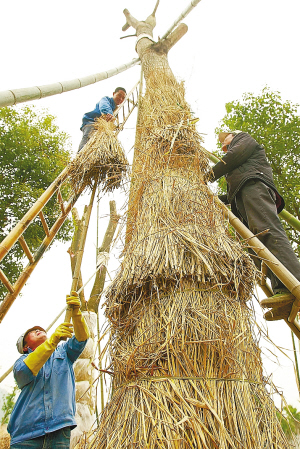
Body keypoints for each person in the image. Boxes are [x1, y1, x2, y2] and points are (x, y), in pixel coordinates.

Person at [212, 130, 300, 309]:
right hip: (244, 194)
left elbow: (234, 156)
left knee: (267, 230)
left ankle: (294, 282)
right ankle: (283, 293)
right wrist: (211, 199)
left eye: (225, 140)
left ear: (234, 135)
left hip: (254, 186)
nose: (223, 146)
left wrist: (207, 175)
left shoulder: (243, 140)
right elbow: (230, 195)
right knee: (257, 249)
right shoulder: (236, 168)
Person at [8, 292, 90, 448]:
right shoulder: (22, 362)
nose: (38, 330)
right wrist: (52, 340)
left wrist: (76, 313)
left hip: (59, 431)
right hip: (26, 434)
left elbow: (81, 339)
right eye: (32, 332)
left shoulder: (63, 352)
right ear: (26, 347)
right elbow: (25, 371)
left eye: (40, 329)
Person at [78, 87, 126, 151]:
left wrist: (116, 127)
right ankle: (79, 157)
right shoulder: (106, 99)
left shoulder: (116, 110)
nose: (120, 99)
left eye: (123, 98)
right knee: (87, 141)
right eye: (119, 95)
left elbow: (111, 122)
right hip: (92, 122)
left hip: (101, 129)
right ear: (114, 93)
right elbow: (104, 106)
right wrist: (109, 114)